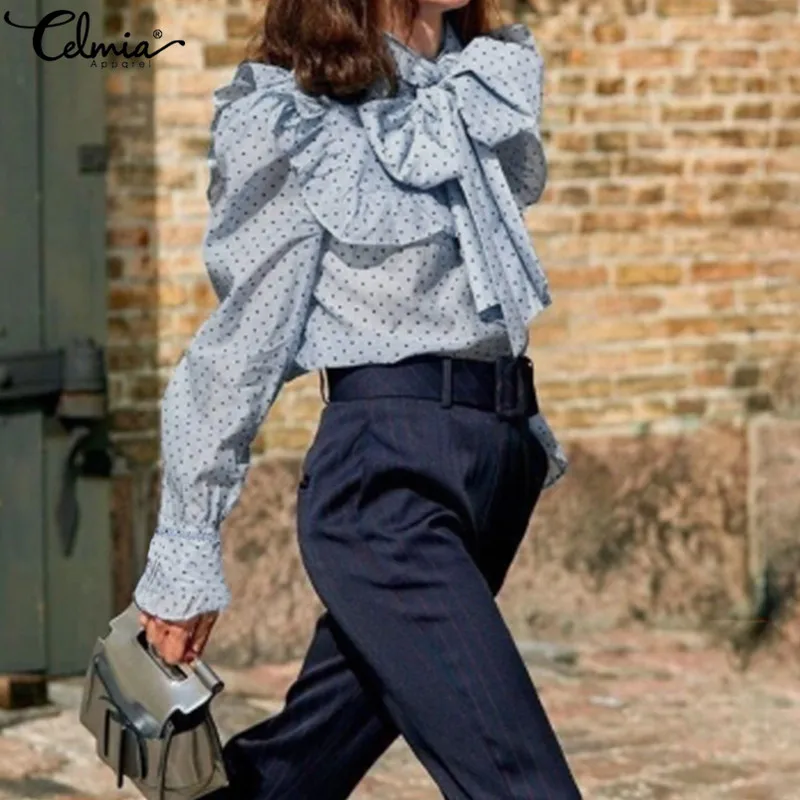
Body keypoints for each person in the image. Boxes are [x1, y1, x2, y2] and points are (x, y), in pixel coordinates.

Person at [134, 0, 582, 797]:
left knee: (302, 766)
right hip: (388, 486)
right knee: (520, 782)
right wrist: (184, 551)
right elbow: (240, 348)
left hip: (496, 466)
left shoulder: (469, 83)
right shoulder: (294, 119)